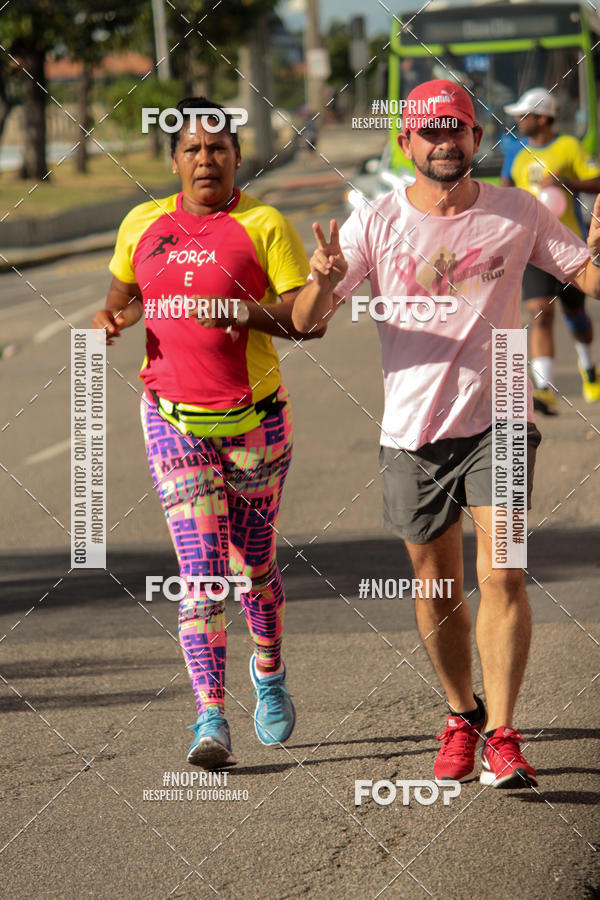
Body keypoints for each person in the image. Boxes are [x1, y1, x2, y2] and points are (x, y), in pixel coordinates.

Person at [291, 79, 600, 789]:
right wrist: (322, 280)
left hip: (502, 421)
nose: (443, 142)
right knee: (437, 587)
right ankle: (462, 713)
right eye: (429, 131)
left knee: (506, 573)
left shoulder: (515, 211)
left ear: (474, 139)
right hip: (412, 431)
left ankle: (504, 733)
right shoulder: (373, 223)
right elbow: (309, 321)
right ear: (406, 142)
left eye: (455, 129)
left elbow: (586, 275)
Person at [92, 97, 325, 770]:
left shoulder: (262, 224)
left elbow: (300, 320)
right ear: (173, 160)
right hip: (173, 420)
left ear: (236, 157)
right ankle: (210, 718)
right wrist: (115, 320)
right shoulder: (142, 222)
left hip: (256, 423)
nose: (205, 159)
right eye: (192, 149)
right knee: (200, 574)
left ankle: (270, 670)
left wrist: (242, 312)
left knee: (253, 567)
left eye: (217, 148)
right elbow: (123, 299)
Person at [501, 87, 600, 414]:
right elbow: (507, 191)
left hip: (568, 244)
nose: (517, 120)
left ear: (542, 117)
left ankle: (588, 367)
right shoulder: (518, 154)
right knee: (539, 311)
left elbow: (597, 180)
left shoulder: (568, 146)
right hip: (531, 248)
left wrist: (567, 183)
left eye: (523, 115)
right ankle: (543, 388)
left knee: (575, 314)